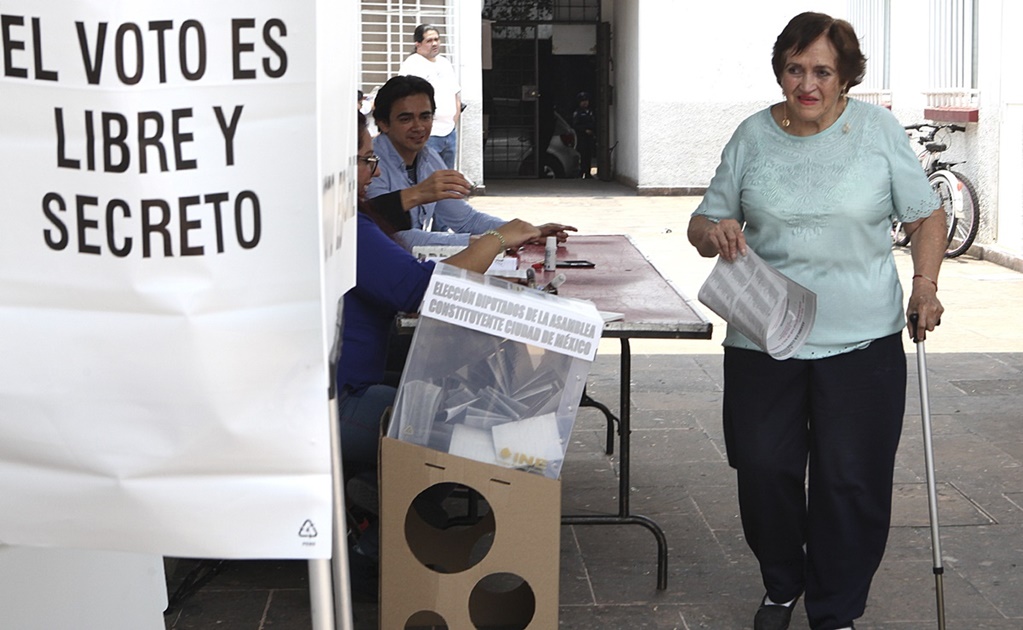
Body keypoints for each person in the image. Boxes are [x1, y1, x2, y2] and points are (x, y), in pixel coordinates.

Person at [686, 12, 946, 630]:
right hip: (763, 334)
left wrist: (926, 285)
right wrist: (714, 231)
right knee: (763, 466)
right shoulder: (751, 135)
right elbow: (703, 223)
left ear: (846, 76)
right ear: (780, 70)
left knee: (850, 480)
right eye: (795, 69)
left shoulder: (878, 132)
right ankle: (782, 583)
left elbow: (926, 217)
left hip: (861, 340)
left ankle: (836, 607)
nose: (807, 84)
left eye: (822, 71)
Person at [339, 112, 540, 596]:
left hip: (337, 383)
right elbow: (419, 290)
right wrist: (496, 241)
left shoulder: (341, 219)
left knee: (453, 382)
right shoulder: (342, 225)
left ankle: (401, 510)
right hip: (334, 401)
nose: (375, 172)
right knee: (479, 429)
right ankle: (389, 536)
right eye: (367, 161)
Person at [368, 74, 576, 250]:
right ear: (383, 123)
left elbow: (467, 220)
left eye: (425, 117)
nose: (418, 127)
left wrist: (529, 231)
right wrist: (484, 243)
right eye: (406, 119)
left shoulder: (430, 158)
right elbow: (392, 237)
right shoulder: (370, 165)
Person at [399, 24, 461, 169]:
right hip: (428, 133)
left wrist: (454, 118)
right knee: (427, 176)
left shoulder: (445, 63)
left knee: (447, 177)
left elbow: (455, 94)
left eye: (436, 39)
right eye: (429, 40)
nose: (434, 44)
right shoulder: (412, 65)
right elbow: (406, 99)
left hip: (449, 131)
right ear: (418, 44)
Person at [571, 91, 596, 179]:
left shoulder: (591, 111)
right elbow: (575, 125)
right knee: (582, 155)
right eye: (583, 101)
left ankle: (588, 173)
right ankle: (581, 172)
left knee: (589, 155)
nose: (585, 102)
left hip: (589, 137)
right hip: (581, 137)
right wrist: (584, 130)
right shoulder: (577, 113)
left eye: (586, 100)